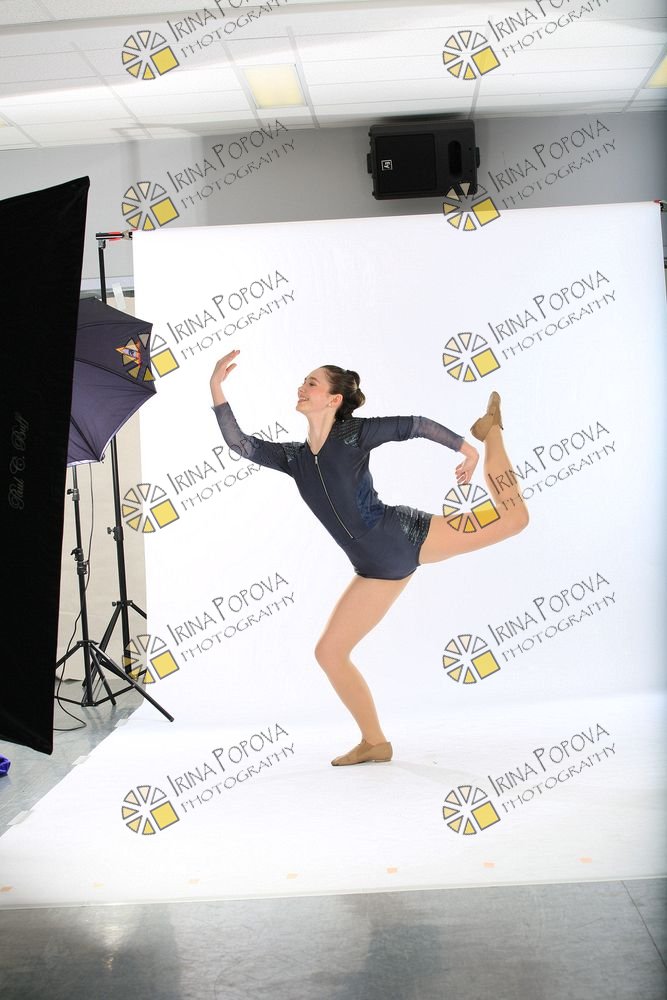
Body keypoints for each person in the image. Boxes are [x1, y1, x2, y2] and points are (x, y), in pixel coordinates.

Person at [210, 350, 528, 766]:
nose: (302, 387)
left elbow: (414, 425)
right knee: (329, 653)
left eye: (311, 383)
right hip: (374, 570)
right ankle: (375, 742)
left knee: (514, 519)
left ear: (334, 399)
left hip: (405, 538)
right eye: (304, 381)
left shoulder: (354, 435)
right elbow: (241, 444)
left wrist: (467, 450)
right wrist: (216, 388)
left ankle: (492, 432)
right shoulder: (295, 459)